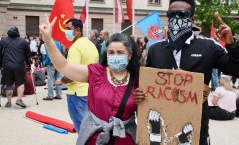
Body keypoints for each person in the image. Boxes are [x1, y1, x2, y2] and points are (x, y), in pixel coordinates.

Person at [133, 0, 239, 144]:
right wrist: (140, 94)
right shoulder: (156, 49)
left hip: (195, 125)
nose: (176, 18)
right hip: (162, 123)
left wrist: (232, 45)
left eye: (181, 14)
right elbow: (148, 86)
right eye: (171, 14)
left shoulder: (208, 47)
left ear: (192, 19)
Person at [39, 15, 141, 144]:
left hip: (126, 139)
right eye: (111, 52)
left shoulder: (138, 79)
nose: (115, 56)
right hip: (94, 139)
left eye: (120, 52)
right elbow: (63, 66)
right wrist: (48, 40)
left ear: (130, 55)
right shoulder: (96, 72)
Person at [54, 19, 99, 132]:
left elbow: (72, 74)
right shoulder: (91, 45)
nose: (66, 32)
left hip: (77, 94)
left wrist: (62, 80)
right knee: (91, 130)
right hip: (91, 92)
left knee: (83, 132)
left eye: (68, 29)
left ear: (78, 30)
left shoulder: (75, 48)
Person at [0, 27, 31, 108]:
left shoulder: (3, 40)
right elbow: (28, 54)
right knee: (20, 83)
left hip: (7, 65)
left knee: (8, 84)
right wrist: (28, 64)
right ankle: (19, 99)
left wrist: (1, 64)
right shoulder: (23, 41)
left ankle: (8, 102)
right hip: (19, 65)